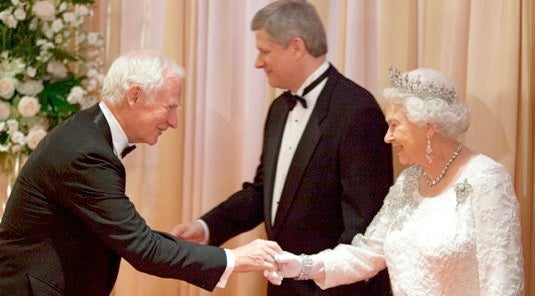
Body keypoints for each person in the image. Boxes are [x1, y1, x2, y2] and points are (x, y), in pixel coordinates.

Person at [0, 51, 283, 296]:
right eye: (169, 107)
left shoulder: (87, 134)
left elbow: (128, 234)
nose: (173, 122)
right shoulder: (86, 152)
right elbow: (143, 248)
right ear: (134, 95)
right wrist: (234, 259)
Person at [172, 1, 393, 295]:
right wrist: (208, 227)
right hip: (281, 287)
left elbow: (365, 226)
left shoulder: (357, 111)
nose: (258, 63)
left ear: (296, 47)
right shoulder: (278, 108)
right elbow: (264, 192)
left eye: (264, 51)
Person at [273, 67, 525, 295]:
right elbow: (367, 253)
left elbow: (502, 285)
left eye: (395, 125)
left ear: (428, 125)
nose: (387, 137)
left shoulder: (486, 179)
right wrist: (301, 265)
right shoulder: (409, 181)